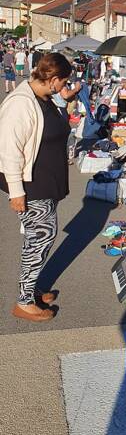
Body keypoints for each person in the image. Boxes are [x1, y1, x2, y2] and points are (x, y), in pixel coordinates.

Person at [0, 52, 74, 322]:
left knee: (42, 237)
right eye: (63, 82)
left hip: (45, 181)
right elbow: (9, 149)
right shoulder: (20, 103)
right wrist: (16, 191)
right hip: (32, 184)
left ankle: (31, 289)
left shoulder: (44, 98)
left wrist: (64, 102)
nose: (64, 86)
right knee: (40, 238)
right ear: (53, 79)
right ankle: (23, 301)